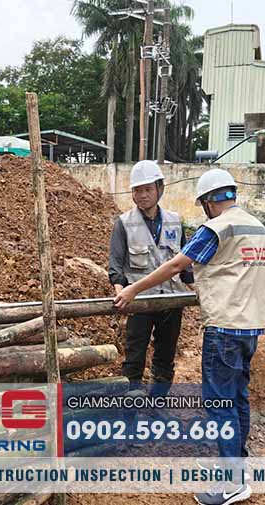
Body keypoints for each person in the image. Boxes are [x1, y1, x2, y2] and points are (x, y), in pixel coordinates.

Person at [114, 168, 265, 505]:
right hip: (251, 326)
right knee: (238, 398)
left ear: (209, 201)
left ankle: (232, 482)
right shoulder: (255, 226)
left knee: (220, 402)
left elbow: (176, 265)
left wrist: (133, 290)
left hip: (224, 328)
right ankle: (235, 464)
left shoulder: (215, 229)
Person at [108, 160, 194, 394]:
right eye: (138, 190)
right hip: (140, 301)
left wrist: (196, 289)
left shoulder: (175, 221)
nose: (143, 195)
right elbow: (116, 264)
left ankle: (158, 403)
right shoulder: (124, 223)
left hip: (172, 301)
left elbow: (185, 264)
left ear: (159, 189)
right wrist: (120, 293)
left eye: (148, 189)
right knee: (134, 357)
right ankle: (131, 405)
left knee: (165, 358)